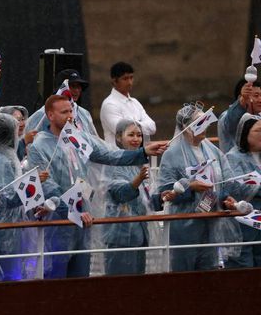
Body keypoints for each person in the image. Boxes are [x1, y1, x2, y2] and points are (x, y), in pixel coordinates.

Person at [29, 95, 167, 279]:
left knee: (82, 278)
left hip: (84, 220)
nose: (70, 116)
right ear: (50, 115)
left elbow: (109, 155)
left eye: (71, 111)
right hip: (58, 223)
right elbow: (47, 186)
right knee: (56, 281)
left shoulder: (77, 137)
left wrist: (142, 152)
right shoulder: (38, 146)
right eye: (64, 112)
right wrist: (72, 210)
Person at [158, 103, 240, 272]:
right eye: (199, 122)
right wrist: (190, 187)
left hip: (211, 222)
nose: (205, 126)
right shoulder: (171, 155)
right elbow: (164, 192)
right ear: (185, 127)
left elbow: (226, 180)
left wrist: (226, 199)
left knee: (209, 272)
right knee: (184, 273)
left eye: (206, 121)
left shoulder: (213, 151)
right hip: (184, 224)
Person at [0, 113, 39, 281]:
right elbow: (6, 197)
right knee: (6, 278)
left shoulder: (3, 155)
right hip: (3, 231)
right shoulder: (0, 160)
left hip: (8, 229)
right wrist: (34, 186)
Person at [103, 120, 152, 276]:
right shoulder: (113, 161)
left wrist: (165, 196)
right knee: (120, 287)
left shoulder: (139, 164)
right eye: (131, 134)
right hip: (120, 236)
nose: (136, 139)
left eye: (139, 135)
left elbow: (148, 200)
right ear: (119, 138)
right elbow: (120, 193)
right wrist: (137, 180)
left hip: (140, 235)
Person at [223, 113, 261, 267]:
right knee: (242, 268)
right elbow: (235, 187)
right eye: (258, 131)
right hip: (243, 223)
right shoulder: (233, 157)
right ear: (245, 133)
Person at [26, 69, 99, 137]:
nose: (77, 90)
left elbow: (94, 140)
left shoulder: (84, 114)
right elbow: (29, 139)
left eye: (79, 86)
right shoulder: (43, 113)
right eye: (73, 86)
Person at [99, 62, 157, 145]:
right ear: (114, 81)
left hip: (140, 155)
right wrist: (141, 124)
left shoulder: (135, 102)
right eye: (125, 79)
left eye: (131, 78)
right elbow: (123, 132)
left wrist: (132, 125)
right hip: (118, 156)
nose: (130, 82)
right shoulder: (109, 104)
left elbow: (152, 127)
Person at [218, 77, 261, 153]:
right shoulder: (226, 116)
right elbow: (230, 122)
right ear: (240, 98)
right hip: (235, 163)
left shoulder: (258, 116)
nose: (260, 100)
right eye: (256, 96)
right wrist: (243, 100)